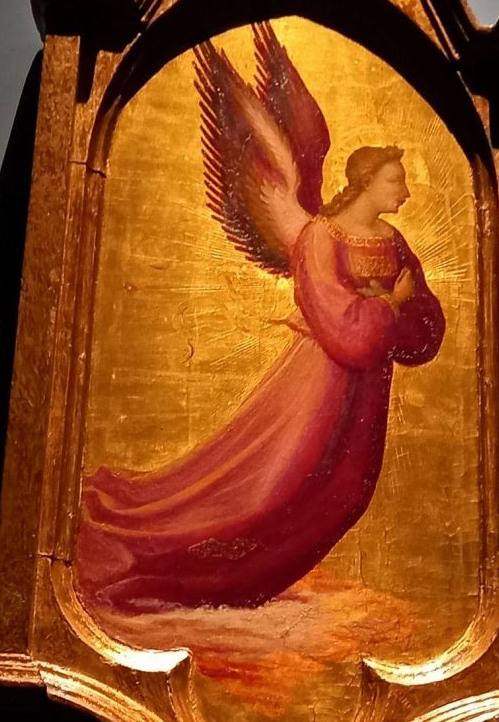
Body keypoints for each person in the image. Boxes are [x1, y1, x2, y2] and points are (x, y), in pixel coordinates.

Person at [75, 145, 445, 614]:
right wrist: (389, 305)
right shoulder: (320, 238)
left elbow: (425, 317)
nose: (405, 192)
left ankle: (245, 582)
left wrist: (395, 314)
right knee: (272, 490)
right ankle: (182, 574)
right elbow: (342, 326)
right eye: (395, 181)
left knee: (347, 491)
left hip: (368, 392)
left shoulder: (393, 242)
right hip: (318, 388)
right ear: (366, 183)